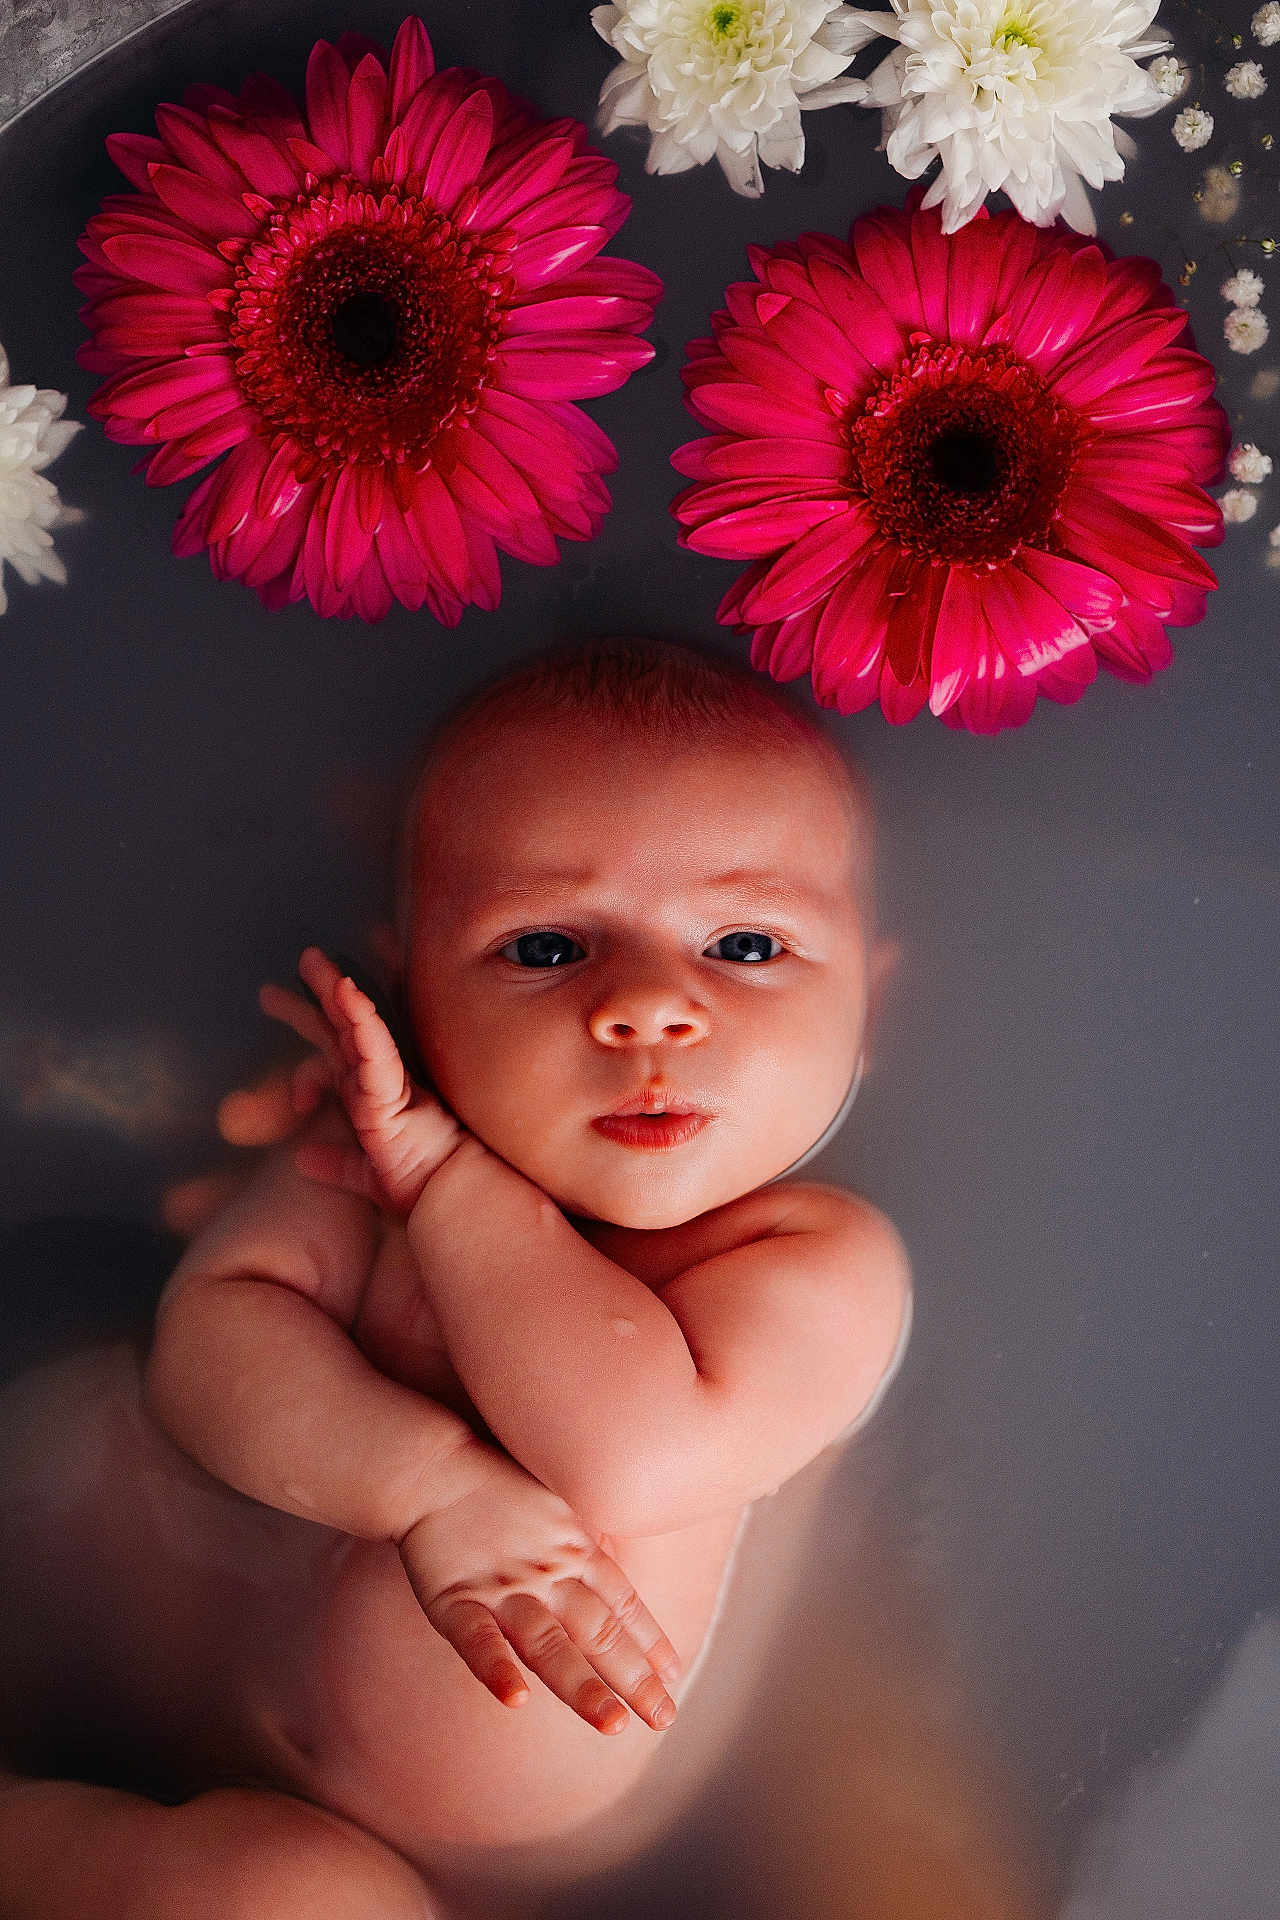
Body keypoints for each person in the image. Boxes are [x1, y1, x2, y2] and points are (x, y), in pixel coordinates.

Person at [0, 635, 910, 1917]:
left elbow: (625, 1451)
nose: (649, 1008)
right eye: (545, 948)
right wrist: (418, 1483)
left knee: (284, 1898)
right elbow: (208, 1343)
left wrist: (443, 1183)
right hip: (81, 1616)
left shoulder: (809, 1262)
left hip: (427, 1859)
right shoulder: (370, 1148)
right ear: (415, 986)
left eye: (746, 945)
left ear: (867, 1008)